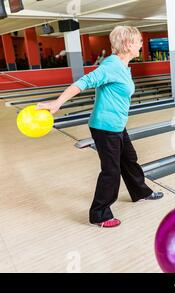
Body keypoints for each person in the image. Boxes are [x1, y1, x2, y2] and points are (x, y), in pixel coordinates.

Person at [37, 26, 164, 228]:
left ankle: (140, 192)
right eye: (139, 40)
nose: (141, 43)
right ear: (128, 43)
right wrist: (57, 103)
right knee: (111, 171)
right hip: (105, 128)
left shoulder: (121, 65)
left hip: (117, 125)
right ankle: (100, 214)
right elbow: (84, 81)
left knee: (129, 160)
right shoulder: (112, 65)